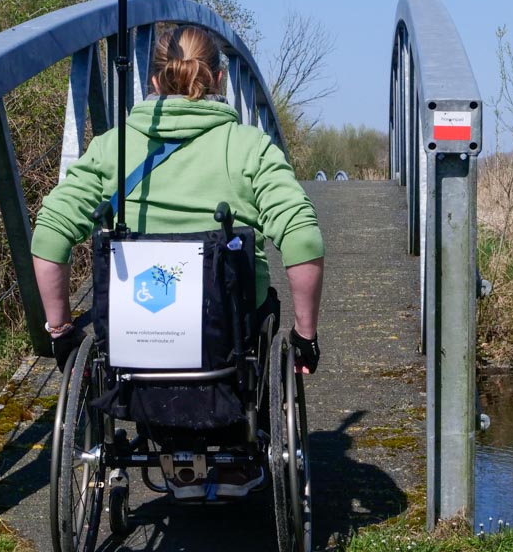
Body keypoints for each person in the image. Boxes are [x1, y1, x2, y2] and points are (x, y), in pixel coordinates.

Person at [30, 24, 324, 382]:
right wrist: (305, 336)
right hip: (229, 335)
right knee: (261, 305)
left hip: (133, 333)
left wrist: (61, 331)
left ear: (155, 82)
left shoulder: (112, 148)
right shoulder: (251, 148)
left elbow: (49, 235)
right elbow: (302, 238)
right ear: (218, 79)